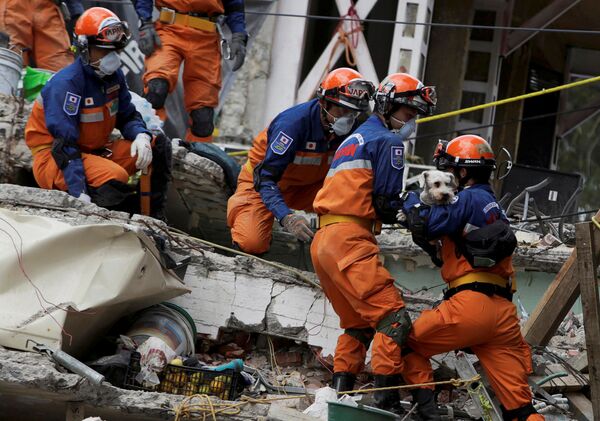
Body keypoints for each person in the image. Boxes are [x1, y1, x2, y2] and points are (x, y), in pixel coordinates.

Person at [310, 73, 437, 413]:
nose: (411, 123)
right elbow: (385, 203)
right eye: (409, 115)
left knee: (357, 324)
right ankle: (386, 400)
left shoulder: (353, 138)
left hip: (324, 241)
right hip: (351, 238)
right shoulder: (391, 143)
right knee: (392, 319)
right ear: (389, 106)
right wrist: (416, 208)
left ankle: (339, 395)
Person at [399, 135, 544, 421]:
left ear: (462, 172)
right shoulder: (493, 206)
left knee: (405, 346)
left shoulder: (466, 198)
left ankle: (428, 414)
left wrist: (411, 201)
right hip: (502, 315)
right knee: (520, 408)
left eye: (448, 170)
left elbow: (428, 223)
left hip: (469, 305)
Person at [25, 7, 171, 219]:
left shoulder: (113, 77)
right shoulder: (67, 85)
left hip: (95, 152)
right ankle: (110, 215)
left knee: (158, 144)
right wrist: (79, 194)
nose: (111, 57)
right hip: (55, 159)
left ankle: (151, 215)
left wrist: (141, 135)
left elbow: (127, 116)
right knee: (115, 177)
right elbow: (64, 146)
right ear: (85, 48)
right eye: (104, 50)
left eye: (114, 51)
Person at [227, 68, 375, 255]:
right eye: (343, 110)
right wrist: (286, 217)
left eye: (353, 113)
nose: (348, 119)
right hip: (262, 184)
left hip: (309, 189)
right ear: (323, 102)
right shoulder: (292, 125)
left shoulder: (353, 130)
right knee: (251, 242)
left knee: (354, 206)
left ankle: (341, 253)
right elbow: (265, 179)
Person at [132, 0, 247, 142]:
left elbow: (235, 4)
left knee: (203, 118)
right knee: (156, 89)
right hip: (169, 29)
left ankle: (197, 160)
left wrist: (239, 35)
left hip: (207, 36)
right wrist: (145, 23)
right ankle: (145, 143)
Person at [0, 0, 82, 71]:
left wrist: (75, 10)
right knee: (11, 66)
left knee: (59, 69)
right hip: (13, 7)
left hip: (48, 6)